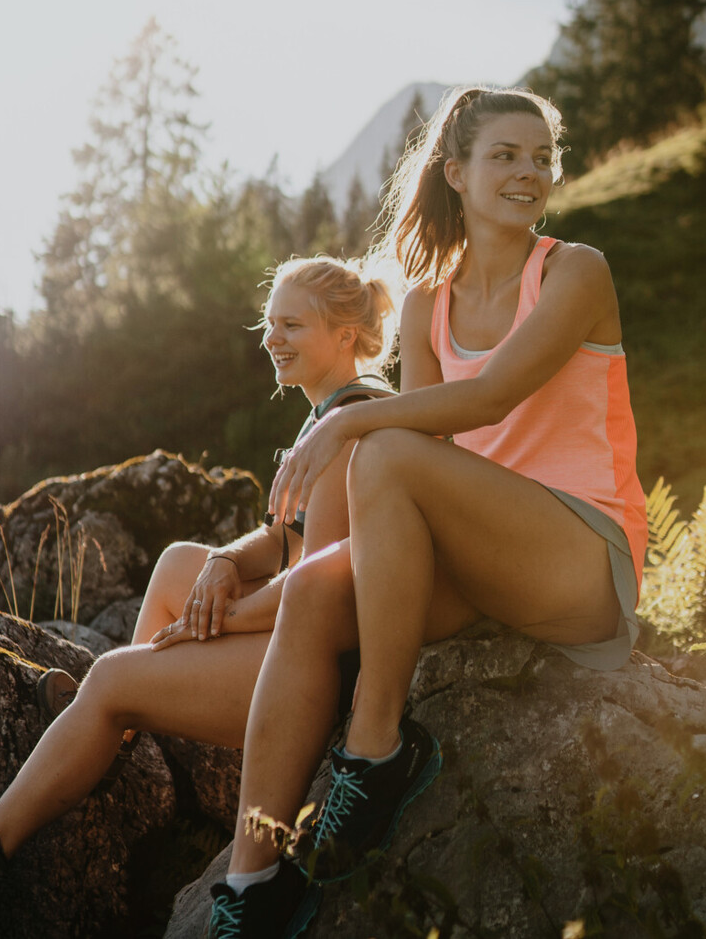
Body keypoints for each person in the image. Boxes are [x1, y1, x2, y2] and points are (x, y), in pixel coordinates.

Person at [208, 86, 647, 939]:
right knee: (312, 593)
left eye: (541, 158)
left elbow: (484, 399)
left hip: (580, 558)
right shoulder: (426, 306)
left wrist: (343, 423)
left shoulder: (574, 270)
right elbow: (430, 463)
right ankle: (250, 880)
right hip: (487, 558)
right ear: (456, 172)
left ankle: (373, 748)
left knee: (382, 448)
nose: (530, 173)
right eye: (505, 156)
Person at [0, 254, 396, 925]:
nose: (272, 338)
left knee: (116, 681)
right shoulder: (332, 410)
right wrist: (225, 564)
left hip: (321, 672)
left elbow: (315, 584)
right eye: (269, 323)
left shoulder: (350, 429)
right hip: (299, 628)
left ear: (344, 335)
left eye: (291, 325)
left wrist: (221, 618)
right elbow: (280, 538)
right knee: (184, 559)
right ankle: (112, 730)